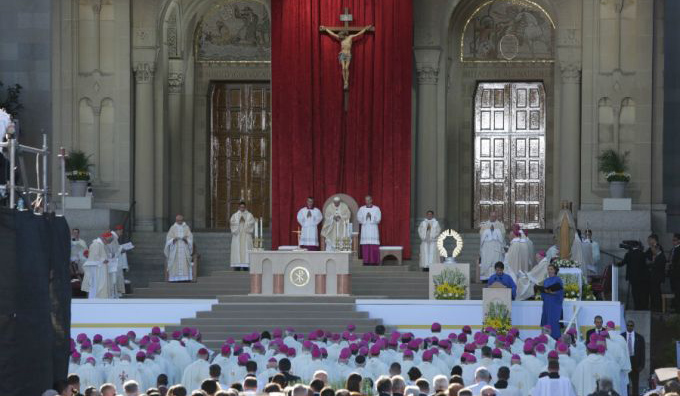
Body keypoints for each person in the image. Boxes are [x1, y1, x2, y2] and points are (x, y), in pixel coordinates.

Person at [616, 241, 649, 310]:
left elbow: (622, 263)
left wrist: (616, 264)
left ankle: (637, 307)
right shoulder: (642, 254)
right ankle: (643, 307)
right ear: (637, 246)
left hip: (633, 277)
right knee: (642, 292)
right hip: (642, 277)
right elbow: (646, 265)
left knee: (635, 293)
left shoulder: (628, 254)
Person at [81, 232, 114, 298]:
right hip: (97, 271)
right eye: (107, 241)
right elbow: (94, 257)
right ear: (104, 239)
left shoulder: (101, 244)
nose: (107, 243)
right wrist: (103, 260)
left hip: (101, 269)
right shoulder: (96, 244)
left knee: (102, 285)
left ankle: (102, 298)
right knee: (97, 286)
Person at [165, 215, 194, 281]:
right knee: (174, 262)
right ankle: (174, 278)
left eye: (181, 220)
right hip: (175, 249)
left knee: (184, 262)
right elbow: (168, 238)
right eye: (178, 220)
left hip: (184, 249)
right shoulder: (172, 228)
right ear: (176, 220)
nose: (179, 221)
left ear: (183, 220)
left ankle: (185, 278)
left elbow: (190, 237)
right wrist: (173, 239)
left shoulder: (186, 228)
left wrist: (186, 240)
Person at [539, 263, 564, 340]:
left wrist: (553, 293)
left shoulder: (558, 279)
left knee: (553, 321)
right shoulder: (546, 280)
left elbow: (561, 292)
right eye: (548, 269)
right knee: (546, 319)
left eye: (551, 269)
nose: (549, 271)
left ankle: (555, 338)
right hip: (547, 303)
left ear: (555, 270)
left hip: (555, 304)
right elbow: (543, 292)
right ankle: (546, 338)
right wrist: (542, 290)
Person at [230, 202, 255, 270]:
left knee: (246, 250)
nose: (242, 208)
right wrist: (238, 222)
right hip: (238, 235)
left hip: (246, 235)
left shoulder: (249, 215)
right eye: (241, 207)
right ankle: (237, 266)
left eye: (243, 207)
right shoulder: (235, 215)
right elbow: (232, 224)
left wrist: (245, 221)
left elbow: (252, 223)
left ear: (245, 207)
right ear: (238, 207)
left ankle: (245, 266)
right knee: (237, 250)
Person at [622, 320, 645, 396]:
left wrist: (642, 365)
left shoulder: (640, 337)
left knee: (635, 384)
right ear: (626, 326)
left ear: (633, 326)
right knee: (626, 384)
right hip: (625, 362)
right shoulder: (621, 336)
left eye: (631, 325)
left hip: (635, 363)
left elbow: (642, 353)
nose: (629, 327)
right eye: (628, 325)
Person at [480, 212, 506, 279]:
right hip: (487, 248)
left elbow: (503, 234)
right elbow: (481, 234)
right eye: (492, 216)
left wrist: (496, 232)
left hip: (496, 247)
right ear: (489, 216)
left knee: (496, 260)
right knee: (487, 261)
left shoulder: (500, 225)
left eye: (494, 216)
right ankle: (487, 276)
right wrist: (488, 232)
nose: (493, 218)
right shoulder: (485, 225)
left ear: (496, 217)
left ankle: (497, 275)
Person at [357, 195, 381, 265]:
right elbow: (359, 218)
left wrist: (371, 217)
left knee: (374, 245)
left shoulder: (376, 209)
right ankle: (366, 261)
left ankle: (374, 261)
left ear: (371, 200)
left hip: (373, 229)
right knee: (366, 245)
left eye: (368, 200)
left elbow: (378, 219)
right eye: (366, 200)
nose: (367, 201)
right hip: (365, 229)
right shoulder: (361, 209)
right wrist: (365, 217)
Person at [645, 234, 666, 312]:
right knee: (653, 292)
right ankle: (654, 306)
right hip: (653, 276)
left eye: (649, 240)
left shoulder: (658, 250)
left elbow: (657, 264)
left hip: (656, 276)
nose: (648, 242)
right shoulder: (651, 250)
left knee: (656, 292)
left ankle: (657, 308)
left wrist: (651, 262)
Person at [670, 233, 680, 313]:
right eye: (673, 240)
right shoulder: (673, 249)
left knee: (677, 292)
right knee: (675, 291)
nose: (673, 242)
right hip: (673, 274)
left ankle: (677, 309)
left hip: (677, 274)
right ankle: (675, 307)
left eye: (675, 240)